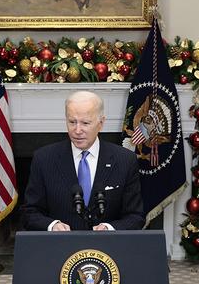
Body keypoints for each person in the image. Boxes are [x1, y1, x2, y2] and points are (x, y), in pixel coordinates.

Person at [21, 90, 144, 231]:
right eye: (72, 122)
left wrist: (109, 228)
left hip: (107, 250)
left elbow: (135, 216)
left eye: (85, 123)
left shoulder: (125, 160)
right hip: (60, 248)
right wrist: (52, 226)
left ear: (101, 123)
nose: (77, 130)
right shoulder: (44, 158)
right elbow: (29, 212)